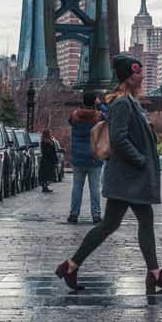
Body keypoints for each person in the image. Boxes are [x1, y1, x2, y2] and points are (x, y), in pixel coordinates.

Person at [55, 55, 162, 294]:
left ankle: (72, 265)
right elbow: (119, 138)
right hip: (128, 177)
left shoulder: (130, 101)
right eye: (137, 73)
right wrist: (140, 160)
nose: (142, 76)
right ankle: (153, 273)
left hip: (127, 177)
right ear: (127, 77)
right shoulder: (123, 103)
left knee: (113, 225)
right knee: (132, 222)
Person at [67, 90, 105, 224]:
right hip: (94, 157)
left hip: (78, 157)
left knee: (77, 187)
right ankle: (96, 215)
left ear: (83, 102)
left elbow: (70, 121)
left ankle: (74, 214)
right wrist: (100, 105)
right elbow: (111, 117)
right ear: (94, 101)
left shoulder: (75, 115)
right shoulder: (99, 116)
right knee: (95, 188)